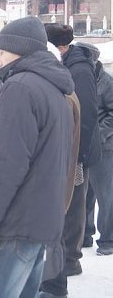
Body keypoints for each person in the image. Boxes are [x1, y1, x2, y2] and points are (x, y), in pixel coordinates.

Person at [0, 17, 74, 298]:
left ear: (18, 49)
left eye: (1, 53)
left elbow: (4, 170)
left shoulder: (20, 89)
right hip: (38, 221)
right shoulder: (51, 88)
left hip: (14, 224)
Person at [44, 23, 100, 282]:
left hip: (79, 148)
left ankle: (71, 258)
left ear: (61, 47)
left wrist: (80, 153)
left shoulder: (79, 68)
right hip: (69, 146)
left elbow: (87, 111)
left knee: (75, 202)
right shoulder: (66, 64)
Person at [75, 42, 113, 256]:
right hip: (84, 144)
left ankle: (107, 238)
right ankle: (85, 234)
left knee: (105, 195)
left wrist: (98, 134)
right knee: (84, 192)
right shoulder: (81, 79)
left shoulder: (106, 82)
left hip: (105, 147)